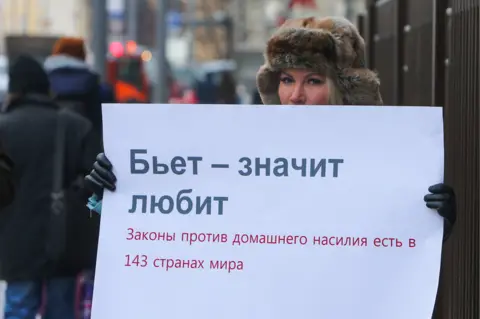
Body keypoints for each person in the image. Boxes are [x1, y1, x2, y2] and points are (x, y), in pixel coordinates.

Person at [83, 16, 457, 238]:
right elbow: (188, 219)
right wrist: (115, 193)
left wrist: (434, 220)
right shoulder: (243, 152)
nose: (295, 95)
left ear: (343, 89)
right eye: (286, 80)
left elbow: (399, 252)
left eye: (312, 81)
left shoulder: (381, 155)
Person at [0, 54, 99, 319]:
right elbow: (95, 185)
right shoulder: (76, 126)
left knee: (19, 308)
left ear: (15, 89)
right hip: (64, 242)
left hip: (15, 244)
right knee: (62, 309)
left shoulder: (4, 129)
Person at [44, 37, 103, 136]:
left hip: (51, 139)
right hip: (86, 139)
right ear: (83, 55)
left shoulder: (44, 80)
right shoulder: (95, 83)